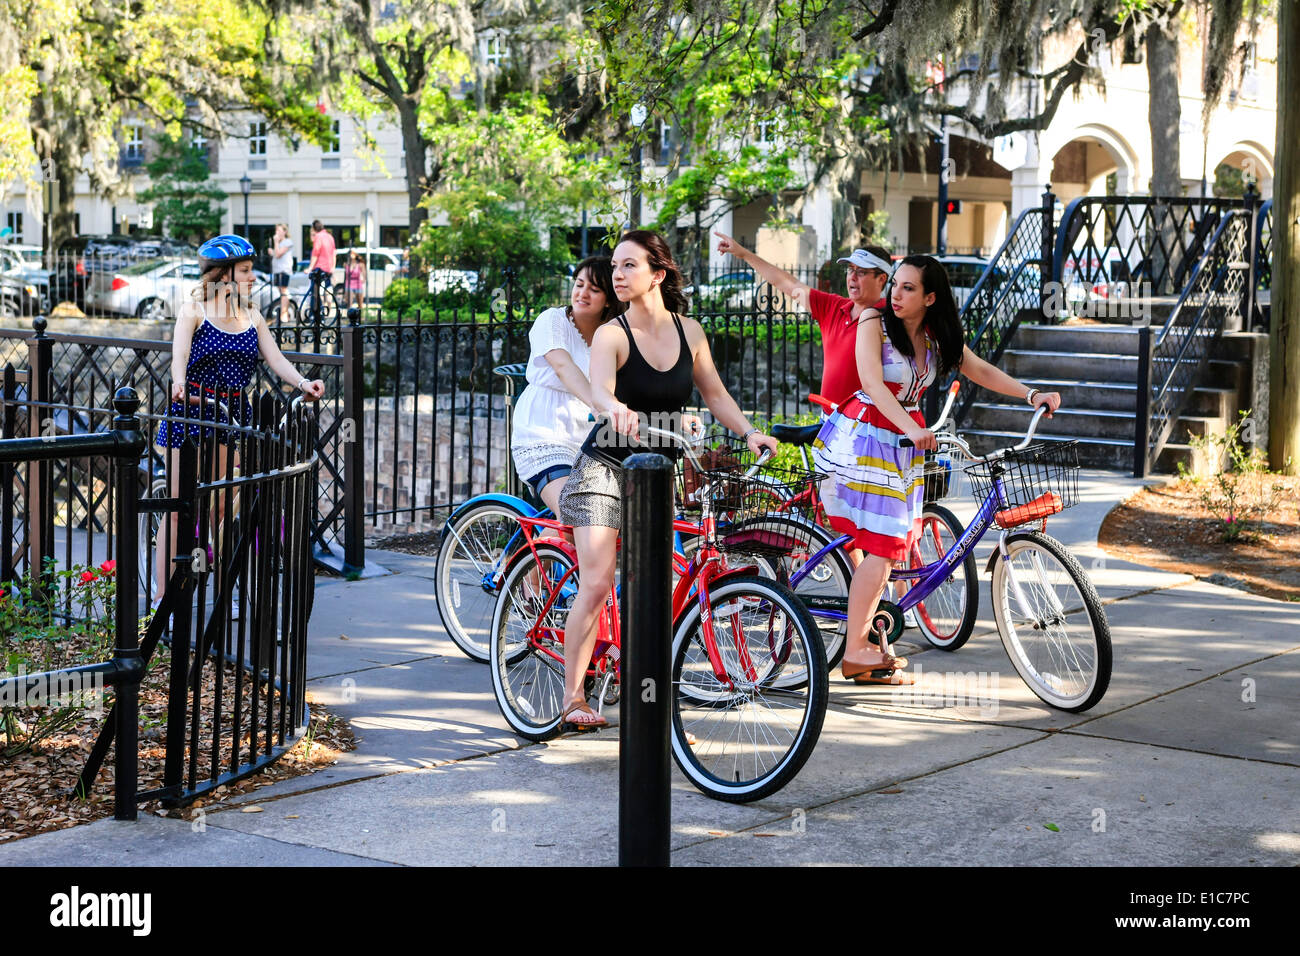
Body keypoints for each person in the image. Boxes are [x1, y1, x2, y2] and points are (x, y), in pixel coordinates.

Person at [555, 230, 778, 730]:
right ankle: (573, 696)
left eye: (629, 265)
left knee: (651, 591)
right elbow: (601, 394)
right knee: (597, 581)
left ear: (658, 273)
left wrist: (748, 432)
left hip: (657, 476)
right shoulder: (613, 333)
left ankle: (650, 714)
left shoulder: (689, 331)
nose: (617, 274)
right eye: (615, 265)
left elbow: (715, 394)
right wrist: (617, 410)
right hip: (605, 470)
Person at [811, 255, 1061, 685]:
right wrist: (911, 425)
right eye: (896, 285)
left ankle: (871, 651)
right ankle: (855, 649)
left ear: (930, 297)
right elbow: (871, 382)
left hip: (903, 444)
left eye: (908, 288)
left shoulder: (933, 336)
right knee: (886, 544)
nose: (897, 294)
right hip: (867, 436)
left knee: (892, 545)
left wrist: (1031, 393)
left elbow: (977, 367)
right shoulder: (873, 320)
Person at [152, 234, 326, 603]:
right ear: (224, 274)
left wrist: (302, 383)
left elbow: (276, 360)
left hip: (233, 417)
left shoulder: (252, 316)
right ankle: (162, 597)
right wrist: (180, 383)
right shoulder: (194, 310)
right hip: (193, 413)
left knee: (221, 505)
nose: (252, 276)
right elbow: (178, 357)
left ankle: (221, 591)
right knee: (182, 505)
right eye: (245, 270)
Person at [714, 235, 893, 409]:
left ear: (881, 279)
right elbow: (785, 282)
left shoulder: (892, 318)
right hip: (830, 421)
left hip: (868, 424)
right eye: (850, 269)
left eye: (861, 272)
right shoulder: (832, 306)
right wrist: (744, 254)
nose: (852, 277)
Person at [510, 256, 624, 516]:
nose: (582, 293)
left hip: (590, 442)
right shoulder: (552, 320)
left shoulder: (612, 334)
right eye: (579, 284)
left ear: (608, 299)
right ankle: (538, 554)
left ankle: (542, 552)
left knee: (612, 520)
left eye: (594, 290)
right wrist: (600, 405)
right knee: (575, 514)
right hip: (543, 435)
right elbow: (563, 367)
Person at [268, 223, 294, 323]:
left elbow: (278, 254)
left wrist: (275, 243)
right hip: (277, 270)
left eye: (279, 230)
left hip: (284, 270)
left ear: (285, 231)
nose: (277, 233)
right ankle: (284, 313)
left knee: (284, 291)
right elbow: (276, 253)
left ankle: (284, 314)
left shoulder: (288, 242)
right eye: (276, 231)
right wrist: (273, 251)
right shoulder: (279, 243)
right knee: (281, 291)